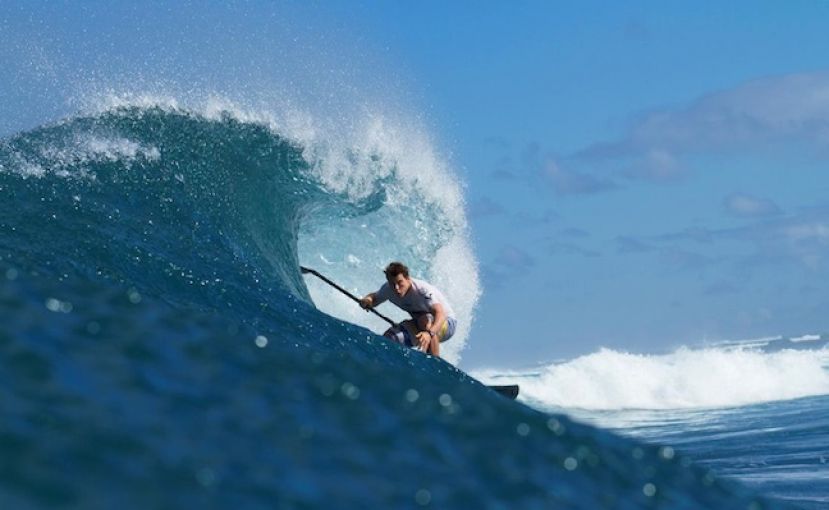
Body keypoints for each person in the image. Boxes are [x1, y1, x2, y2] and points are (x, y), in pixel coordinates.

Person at [359, 261, 456, 357]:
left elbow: (440, 313)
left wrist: (429, 333)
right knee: (391, 337)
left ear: (407, 278)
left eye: (400, 283)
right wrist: (367, 300)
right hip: (421, 322)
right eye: (392, 284)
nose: (396, 288)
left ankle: (435, 364)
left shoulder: (422, 290)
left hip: (447, 323)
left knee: (424, 321)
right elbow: (374, 298)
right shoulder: (388, 289)